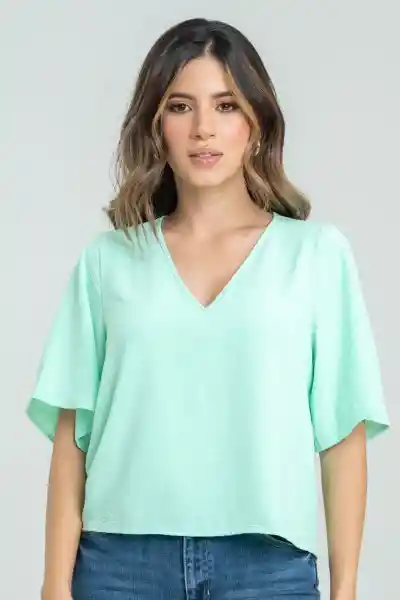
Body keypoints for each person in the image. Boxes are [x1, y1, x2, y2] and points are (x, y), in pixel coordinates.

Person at [26, 17, 390, 600]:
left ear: (256, 122)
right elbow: (73, 439)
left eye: (226, 105)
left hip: (267, 569)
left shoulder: (317, 256)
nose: (203, 129)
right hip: (120, 567)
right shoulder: (107, 262)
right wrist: (53, 584)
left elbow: (342, 436)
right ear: (156, 126)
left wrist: (346, 589)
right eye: (180, 107)